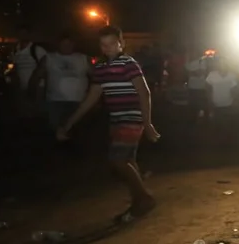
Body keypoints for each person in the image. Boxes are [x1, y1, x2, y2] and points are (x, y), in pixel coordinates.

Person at [58, 26, 160, 222]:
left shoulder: (129, 64)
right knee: (128, 161)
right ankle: (138, 202)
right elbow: (91, 97)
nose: (108, 48)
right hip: (117, 120)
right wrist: (70, 122)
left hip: (132, 118)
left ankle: (144, 199)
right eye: (104, 45)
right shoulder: (101, 68)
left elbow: (144, 92)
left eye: (112, 43)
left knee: (118, 160)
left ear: (121, 43)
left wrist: (147, 123)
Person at [31, 35, 90, 135]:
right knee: (55, 131)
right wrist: (32, 93)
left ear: (73, 44)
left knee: (78, 132)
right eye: (64, 44)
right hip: (55, 103)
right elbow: (36, 76)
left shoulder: (84, 58)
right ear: (58, 44)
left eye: (69, 44)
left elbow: (96, 77)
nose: (67, 46)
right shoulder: (49, 58)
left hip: (79, 103)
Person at [205, 58, 239, 147]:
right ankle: (217, 145)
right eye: (220, 63)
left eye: (224, 63)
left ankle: (226, 145)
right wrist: (209, 101)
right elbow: (208, 89)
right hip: (215, 104)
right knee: (216, 126)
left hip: (228, 104)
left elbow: (234, 90)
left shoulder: (231, 75)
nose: (222, 65)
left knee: (227, 126)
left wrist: (235, 101)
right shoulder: (212, 75)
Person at [12, 30, 47, 118]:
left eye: (25, 33)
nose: (23, 36)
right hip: (22, 86)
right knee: (25, 112)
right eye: (21, 33)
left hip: (37, 86)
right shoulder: (16, 50)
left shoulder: (37, 49)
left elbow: (45, 64)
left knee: (36, 111)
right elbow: (15, 66)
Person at [185, 51, 210, 122]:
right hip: (191, 87)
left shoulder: (202, 61)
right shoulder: (188, 62)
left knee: (204, 105)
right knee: (193, 106)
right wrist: (194, 72)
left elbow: (201, 73)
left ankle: (206, 122)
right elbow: (186, 73)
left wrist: (191, 73)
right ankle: (193, 121)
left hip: (201, 87)